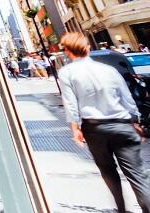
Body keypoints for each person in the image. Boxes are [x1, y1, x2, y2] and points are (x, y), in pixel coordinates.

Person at [58, 32, 150, 213]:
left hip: (94, 128)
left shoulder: (67, 72)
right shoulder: (109, 70)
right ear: (88, 48)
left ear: (67, 51)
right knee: (137, 174)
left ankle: (121, 209)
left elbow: (70, 104)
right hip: (122, 125)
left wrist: (75, 128)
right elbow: (127, 99)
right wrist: (136, 122)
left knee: (108, 170)